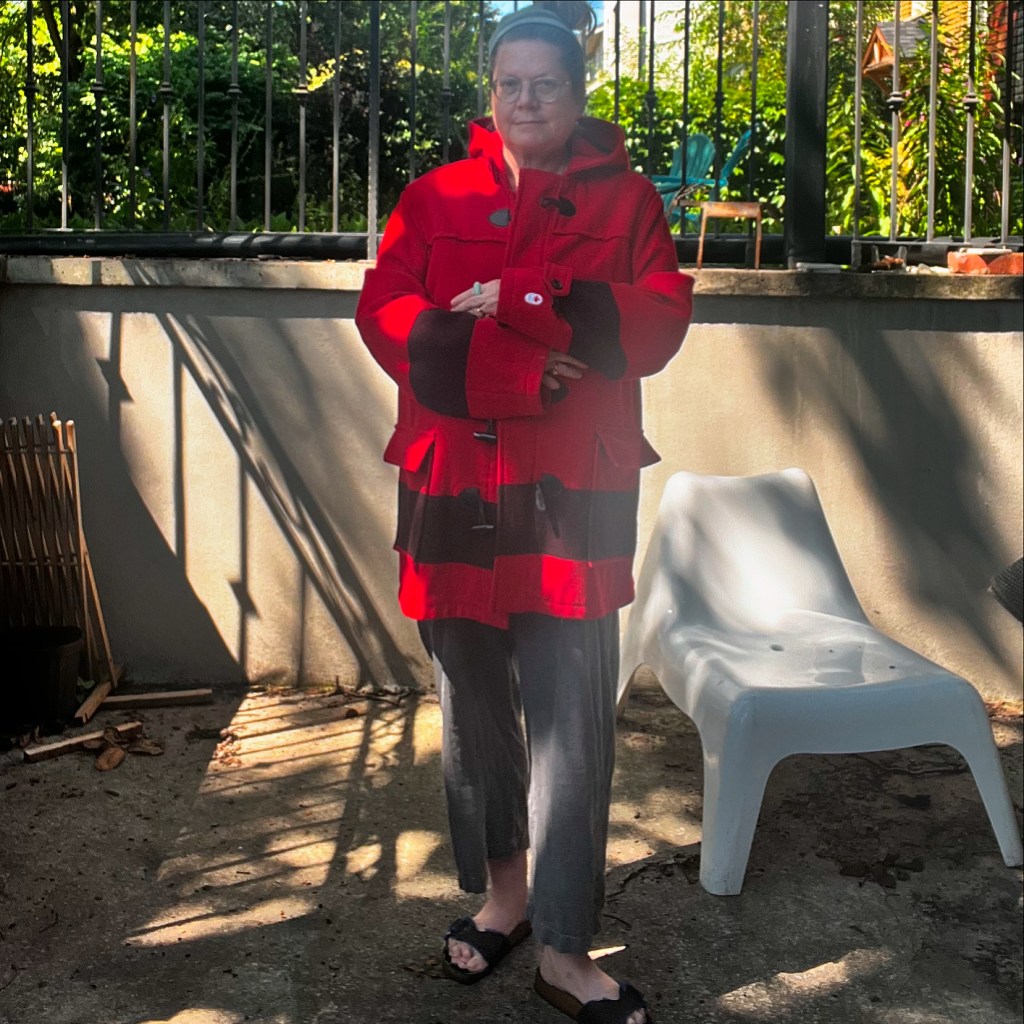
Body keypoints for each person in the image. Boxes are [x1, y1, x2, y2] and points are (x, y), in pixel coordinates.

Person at [355, 3, 693, 1021]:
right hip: (455, 479)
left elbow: (660, 320)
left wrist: (529, 296)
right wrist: (513, 367)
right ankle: (504, 897)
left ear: (578, 94)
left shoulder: (629, 200)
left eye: (548, 83)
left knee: (572, 721)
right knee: (473, 709)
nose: (528, 98)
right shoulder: (433, 197)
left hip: (570, 491)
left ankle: (564, 946)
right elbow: (385, 311)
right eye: (512, 83)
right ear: (492, 93)